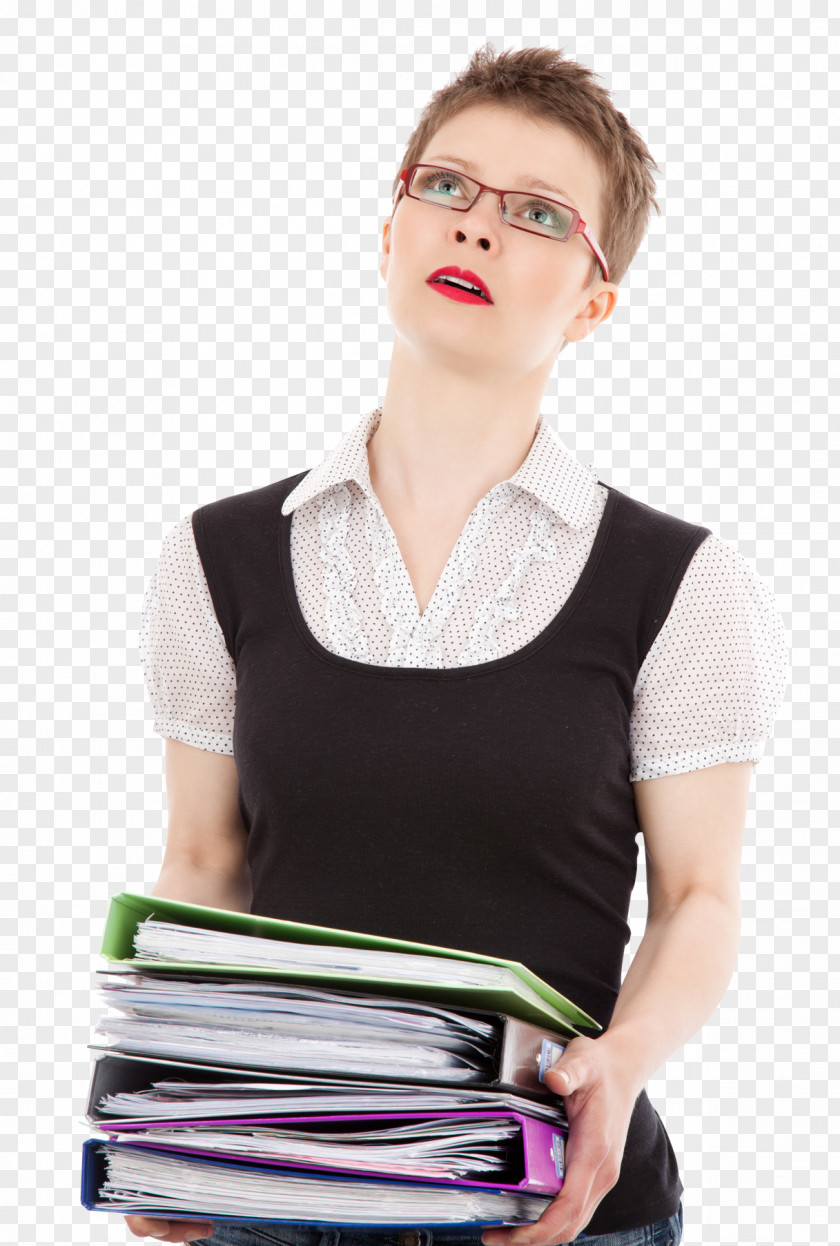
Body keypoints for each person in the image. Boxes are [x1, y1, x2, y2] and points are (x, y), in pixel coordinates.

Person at [125, 43, 789, 1246]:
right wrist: (156, 1105)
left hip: (552, 1206)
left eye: (539, 214)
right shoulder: (215, 554)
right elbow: (204, 860)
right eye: (447, 187)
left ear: (596, 303)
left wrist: (622, 1060)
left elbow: (700, 899)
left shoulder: (681, 581)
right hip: (281, 1193)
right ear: (390, 230)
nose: (476, 229)